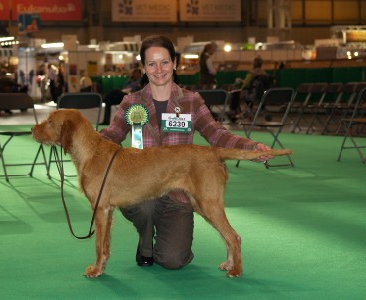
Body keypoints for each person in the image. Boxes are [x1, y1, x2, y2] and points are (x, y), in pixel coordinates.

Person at [99, 35, 273, 270]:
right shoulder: (131, 102)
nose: (158, 69)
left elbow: (216, 134)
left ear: (175, 63)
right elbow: (111, 136)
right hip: (141, 189)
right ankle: (145, 242)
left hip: (178, 194)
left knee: (172, 260)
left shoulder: (191, 101)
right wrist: (80, 138)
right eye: (151, 64)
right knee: (144, 207)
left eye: (164, 62)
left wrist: (250, 147)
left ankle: (176, 244)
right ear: (143, 68)